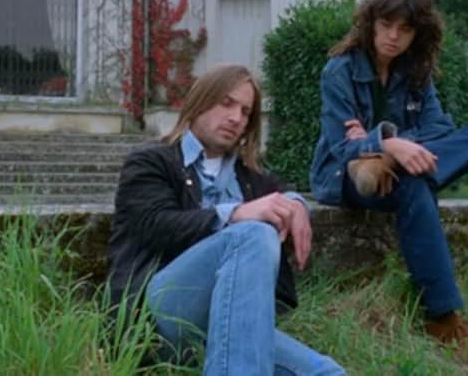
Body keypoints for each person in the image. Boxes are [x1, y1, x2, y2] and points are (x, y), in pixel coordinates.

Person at [107, 63, 346, 376]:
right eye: (227, 103)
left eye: (246, 112)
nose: (236, 118)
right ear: (199, 102)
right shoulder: (152, 161)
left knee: (328, 373)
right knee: (254, 234)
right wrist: (235, 214)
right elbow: (155, 225)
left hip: (232, 322)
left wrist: (296, 204)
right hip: (159, 316)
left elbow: (283, 193)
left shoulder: (250, 178)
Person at [310, 0, 468, 369]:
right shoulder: (339, 71)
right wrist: (388, 142)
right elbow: (339, 146)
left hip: (389, 169)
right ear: (371, 22)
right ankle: (444, 319)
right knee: (412, 181)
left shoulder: (416, 74)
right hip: (343, 176)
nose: (393, 36)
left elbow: (441, 131)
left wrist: (389, 147)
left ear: (418, 33)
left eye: (405, 28)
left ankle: (387, 167)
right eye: (386, 25)